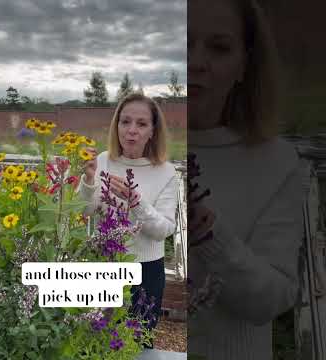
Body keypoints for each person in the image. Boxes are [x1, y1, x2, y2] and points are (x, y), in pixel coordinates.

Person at [188, 0, 307, 359]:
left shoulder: (277, 163)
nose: (194, 62)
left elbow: (270, 301)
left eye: (219, 47)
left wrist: (207, 232)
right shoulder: (125, 148)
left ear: (244, 64)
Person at [77, 93, 179, 334]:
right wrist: (89, 180)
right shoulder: (102, 161)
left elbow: (163, 230)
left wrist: (135, 201)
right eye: (125, 122)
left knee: (137, 343)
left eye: (141, 124)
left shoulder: (166, 172)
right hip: (104, 263)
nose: (131, 130)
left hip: (145, 273)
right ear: (117, 125)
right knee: (95, 338)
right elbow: (84, 210)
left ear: (153, 131)